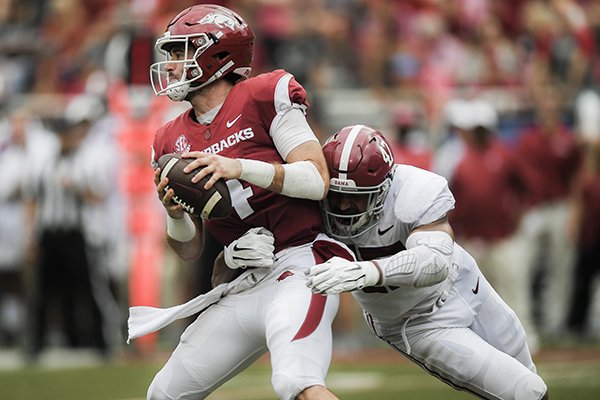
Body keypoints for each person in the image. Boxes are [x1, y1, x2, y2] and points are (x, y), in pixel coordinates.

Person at [132, 4, 352, 400]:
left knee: (297, 384)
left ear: (216, 54)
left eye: (182, 51)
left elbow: (316, 179)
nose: (171, 64)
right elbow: (188, 249)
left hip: (298, 267)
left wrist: (240, 168)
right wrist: (175, 216)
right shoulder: (168, 139)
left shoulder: (264, 94)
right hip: (243, 282)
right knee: (163, 395)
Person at [304, 125, 549, 399]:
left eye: (355, 197)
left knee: (530, 374)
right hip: (414, 322)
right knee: (527, 390)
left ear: (384, 189)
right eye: (335, 196)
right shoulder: (309, 204)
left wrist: (367, 272)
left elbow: (434, 262)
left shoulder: (412, 190)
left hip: (466, 285)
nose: (343, 207)